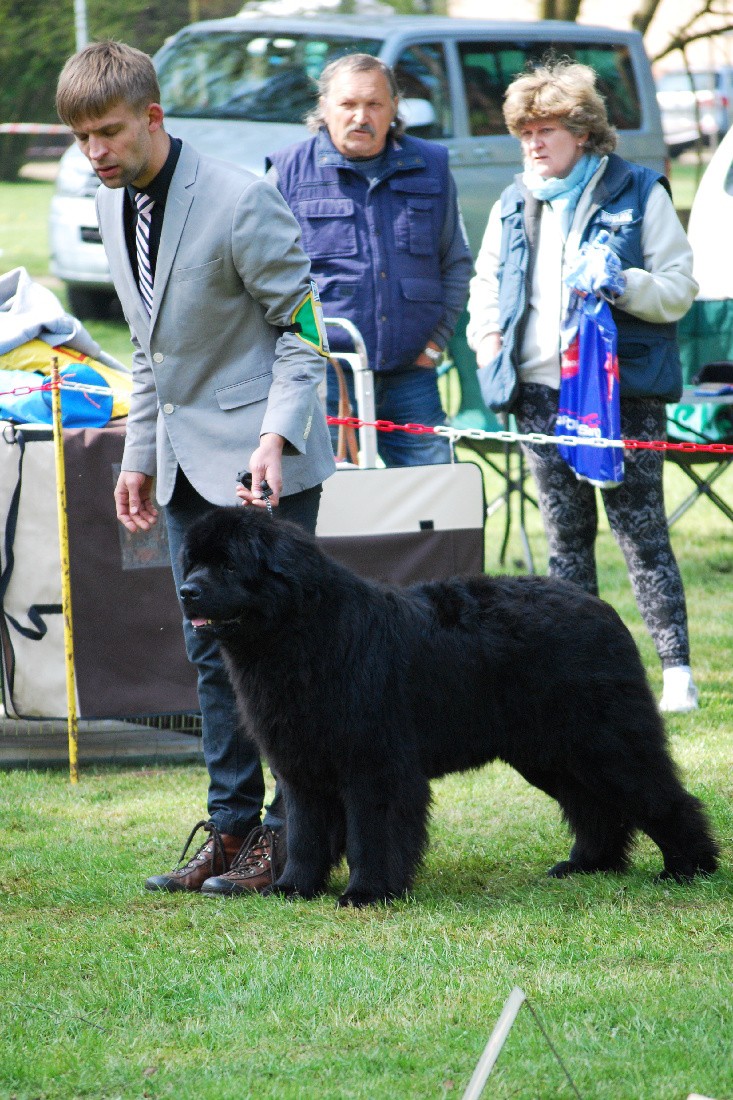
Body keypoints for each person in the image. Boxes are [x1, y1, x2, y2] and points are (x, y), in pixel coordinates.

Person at [56, 41, 335, 893]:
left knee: (288, 663)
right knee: (212, 656)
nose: (95, 152)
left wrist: (273, 439)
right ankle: (231, 829)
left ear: (153, 116)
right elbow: (150, 352)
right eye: (81, 138)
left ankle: (292, 839)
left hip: (265, 468)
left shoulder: (242, 200)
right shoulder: (108, 204)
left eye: (108, 132)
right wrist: (138, 456)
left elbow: (304, 336)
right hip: (181, 469)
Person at [467, 60, 700, 714]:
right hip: (539, 392)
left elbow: (680, 289)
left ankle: (676, 675)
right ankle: (581, 677)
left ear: (583, 131)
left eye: (545, 130)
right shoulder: (514, 200)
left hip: (621, 392)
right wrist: (488, 340)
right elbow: (485, 284)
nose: (533, 144)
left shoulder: (638, 190)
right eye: (524, 133)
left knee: (641, 534)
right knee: (565, 540)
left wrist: (623, 282)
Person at [266, 53, 473, 467]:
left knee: (433, 492)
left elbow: (456, 263)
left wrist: (434, 347)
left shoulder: (432, 166)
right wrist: (304, 351)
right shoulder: (287, 172)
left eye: (374, 104)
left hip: (412, 373)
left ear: (394, 107)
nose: (361, 117)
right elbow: (265, 276)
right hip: (324, 375)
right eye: (348, 104)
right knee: (327, 496)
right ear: (324, 106)